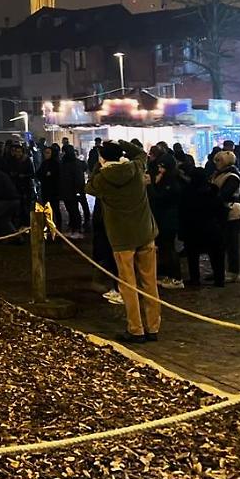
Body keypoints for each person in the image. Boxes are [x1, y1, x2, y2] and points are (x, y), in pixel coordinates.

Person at [86, 140, 162, 344]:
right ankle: (153, 327)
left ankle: (136, 329)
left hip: (121, 238)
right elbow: (141, 154)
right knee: (149, 282)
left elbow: (89, 187)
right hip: (145, 233)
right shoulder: (136, 168)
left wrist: (97, 165)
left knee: (128, 285)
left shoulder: (102, 179)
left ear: (102, 158)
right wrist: (122, 144)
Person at [181, 157, 227, 287]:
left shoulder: (187, 192)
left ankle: (195, 279)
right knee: (217, 255)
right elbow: (221, 211)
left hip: (193, 229)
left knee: (193, 256)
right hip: (212, 228)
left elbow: (183, 212)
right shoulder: (213, 191)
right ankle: (219, 279)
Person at [148, 142, 184, 290]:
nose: (159, 169)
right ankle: (168, 274)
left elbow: (161, 198)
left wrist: (151, 187)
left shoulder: (172, 182)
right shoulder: (164, 179)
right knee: (164, 247)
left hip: (168, 219)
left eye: (162, 166)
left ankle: (176, 278)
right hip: (162, 218)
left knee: (169, 248)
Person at [209, 149, 240, 283]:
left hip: (231, 211)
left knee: (231, 244)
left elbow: (225, 193)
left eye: (219, 161)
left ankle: (234, 272)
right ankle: (219, 270)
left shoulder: (232, 176)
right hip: (221, 211)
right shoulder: (219, 174)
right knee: (220, 243)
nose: (217, 163)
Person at [59, 145, 89, 238]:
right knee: (71, 210)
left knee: (74, 210)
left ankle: (77, 228)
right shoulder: (64, 162)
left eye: (63, 151)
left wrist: (78, 190)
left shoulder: (74, 163)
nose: (62, 153)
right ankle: (73, 227)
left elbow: (78, 178)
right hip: (66, 190)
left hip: (73, 190)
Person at [38, 144, 62, 227]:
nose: (46, 155)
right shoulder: (44, 163)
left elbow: (56, 175)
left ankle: (58, 226)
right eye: (45, 153)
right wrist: (45, 174)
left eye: (48, 153)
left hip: (54, 190)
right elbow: (39, 174)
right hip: (45, 189)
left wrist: (48, 174)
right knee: (46, 208)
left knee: (55, 208)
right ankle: (48, 224)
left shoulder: (56, 163)